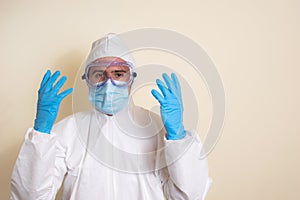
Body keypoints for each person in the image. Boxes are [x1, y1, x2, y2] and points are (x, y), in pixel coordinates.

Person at [10, 33, 212, 200]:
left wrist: (177, 137)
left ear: (131, 80)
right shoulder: (67, 132)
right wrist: (41, 134)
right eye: (99, 74)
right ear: (87, 81)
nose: (109, 83)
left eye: (118, 74)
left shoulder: (158, 130)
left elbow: (189, 197)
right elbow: (30, 197)